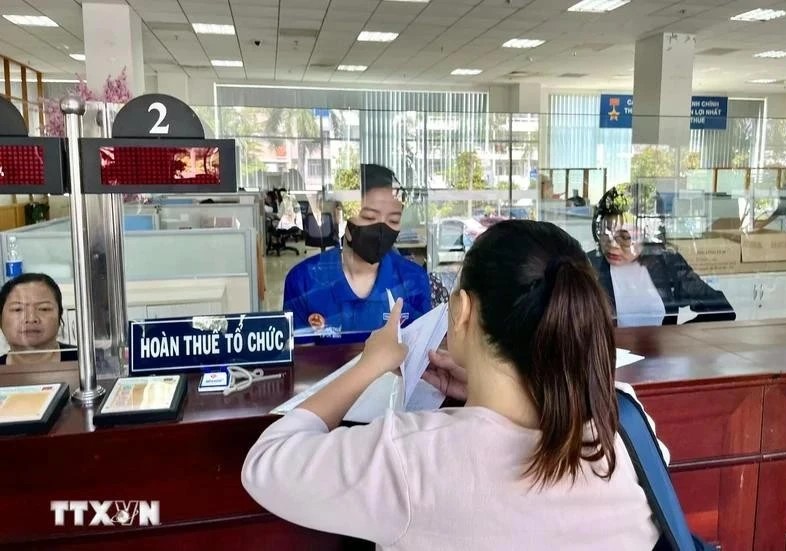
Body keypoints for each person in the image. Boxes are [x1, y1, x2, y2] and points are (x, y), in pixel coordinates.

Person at [243, 220, 664, 550]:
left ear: (461, 311)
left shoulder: (414, 459)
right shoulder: (624, 422)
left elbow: (267, 464)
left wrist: (368, 366)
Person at [283, 164, 431, 337]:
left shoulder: (413, 280)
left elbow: (420, 353)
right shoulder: (304, 281)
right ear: (343, 218)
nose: (382, 229)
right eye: (369, 217)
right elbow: (299, 358)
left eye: (393, 220)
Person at [588, 186, 736, 327]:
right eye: (605, 233)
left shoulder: (667, 263)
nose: (612, 244)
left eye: (625, 237)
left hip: (659, 352)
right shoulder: (587, 266)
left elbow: (723, 311)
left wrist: (674, 337)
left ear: (648, 236)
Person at [0, 273, 77, 365]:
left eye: (44, 309)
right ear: (1, 320)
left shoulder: (89, 363)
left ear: (59, 315)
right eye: (18, 309)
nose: (31, 318)